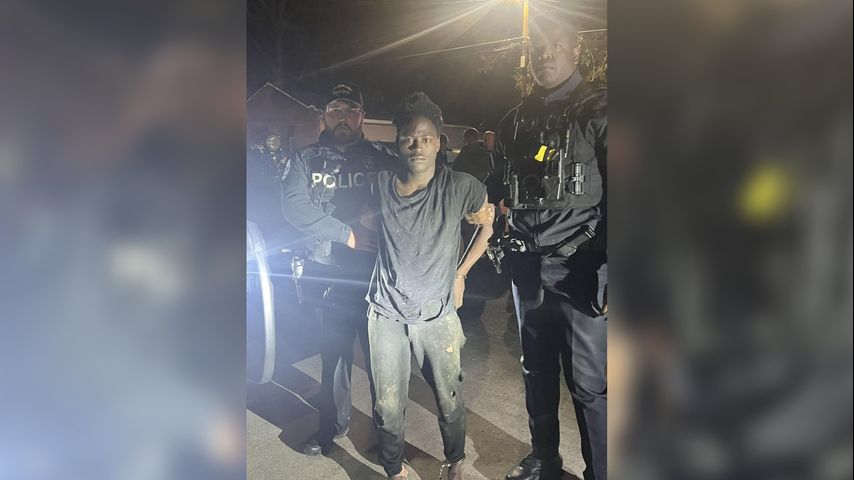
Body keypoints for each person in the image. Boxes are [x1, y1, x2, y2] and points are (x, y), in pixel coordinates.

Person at [496, 12, 607, 480]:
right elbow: (499, 186)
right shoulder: (516, 119)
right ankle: (545, 459)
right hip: (528, 269)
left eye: (556, 46)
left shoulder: (600, 110)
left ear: (576, 51)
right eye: (538, 49)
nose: (545, 55)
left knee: (589, 384)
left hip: (581, 268)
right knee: (536, 371)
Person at [366, 92, 494, 479]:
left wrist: (460, 273)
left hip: (437, 314)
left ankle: (455, 461)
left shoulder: (460, 186)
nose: (416, 145)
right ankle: (394, 468)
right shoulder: (379, 184)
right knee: (388, 405)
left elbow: (485, 227)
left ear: (439, 143)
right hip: (385, 313)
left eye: (426, 137)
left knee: (449, 399)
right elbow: (368, 227)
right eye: (408, 137)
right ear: (397, 141)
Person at [280, 81, 398, 456]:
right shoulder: (305, 159)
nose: (342, 117)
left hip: (375, 274)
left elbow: (410, 199)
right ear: (324, 116)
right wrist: (346, 234)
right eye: (334, 110)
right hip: (328, 271)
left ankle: (388, 435)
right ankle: (331, 427)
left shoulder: (384, 158)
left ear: (362, 115)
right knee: (333, 355)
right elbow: (293, 205)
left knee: (383, 359)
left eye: (349, 109)